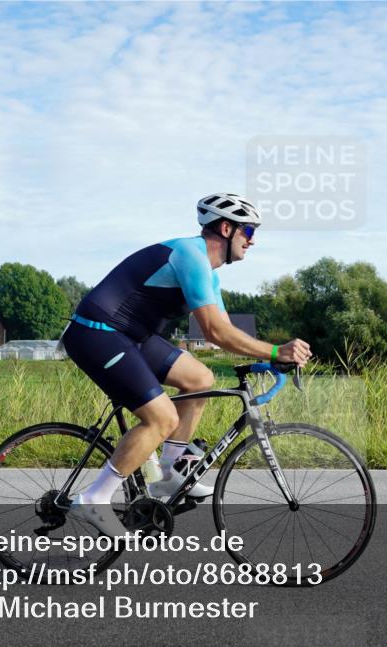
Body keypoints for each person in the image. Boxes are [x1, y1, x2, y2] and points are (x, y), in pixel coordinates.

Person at [61, 193, 312, 538]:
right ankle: (95, 497)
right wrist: (274, 352)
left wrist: (267, 356)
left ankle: (167, 473)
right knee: (162, 417)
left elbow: (225, 331)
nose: (252, 241)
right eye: (249, 231)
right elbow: (214, 331)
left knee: (200, 377)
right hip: (96, 333)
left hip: (129, 335)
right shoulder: (190, 255)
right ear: (226, 228)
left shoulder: (209, 274)